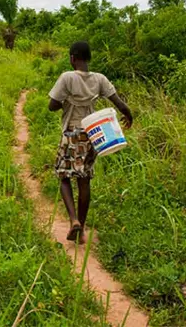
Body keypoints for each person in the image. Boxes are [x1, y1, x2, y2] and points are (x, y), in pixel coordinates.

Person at [48, 40, 133, 243]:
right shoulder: (100, 79)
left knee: (64, 177)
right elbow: (119, 103)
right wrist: (128, 115)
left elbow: (52, 105)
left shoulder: (67, 78)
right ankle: (82, 229)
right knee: (84, 180)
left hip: (71, 135)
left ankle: (74, 220)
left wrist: (65, 101)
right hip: (92, 134)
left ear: (72, 58)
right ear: (89, 59)